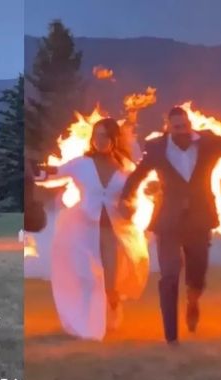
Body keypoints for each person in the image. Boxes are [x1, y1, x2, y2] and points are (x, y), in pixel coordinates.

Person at [119, 106, 221, 344]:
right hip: (168, 221)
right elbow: (137, 175)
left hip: (199, 220)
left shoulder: (208, 143)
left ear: (189, 124)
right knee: (169, 276)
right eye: (176, 126)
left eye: (184, 125)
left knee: (197, 276)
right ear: (168, 127)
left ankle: (193, 302)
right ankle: (171, 337)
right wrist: (125, 197)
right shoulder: (157, 148)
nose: (182, 130)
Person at [49, 118, 149, 340]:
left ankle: (112, 312)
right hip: (82, 230)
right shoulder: (81, 164)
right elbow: (54, 174)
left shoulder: (126, 168)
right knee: (89, 277)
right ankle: (87, 324)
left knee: (111, 285)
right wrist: (34, 172)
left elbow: (133, 197)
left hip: (113, 233)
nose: (99, 141)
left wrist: (129, 207)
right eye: (96, 136)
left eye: (104, 136)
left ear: (114, 139)